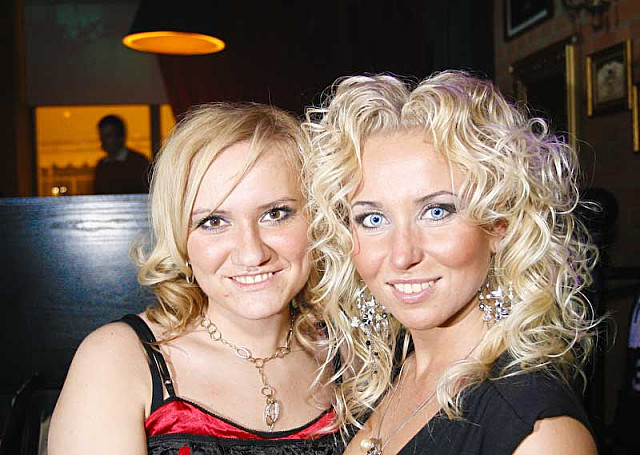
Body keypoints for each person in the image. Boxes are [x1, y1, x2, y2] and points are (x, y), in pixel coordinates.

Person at [303, 71, 598, 454]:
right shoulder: (386, 376)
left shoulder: (540, 433)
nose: (403, 255)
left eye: (437, 211)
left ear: (498, 224)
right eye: (373, 219)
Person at [49, 103, 341, 454]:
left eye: (276, 214)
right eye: (214, 222)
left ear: (317, 221)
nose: (251, 253)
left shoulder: (352, 355)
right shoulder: (118, 360)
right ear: (180, 240)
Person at [94, 114, 150, 194]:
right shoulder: (101, 166)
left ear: (121, 137)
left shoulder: (138, 163)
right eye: (101, 136)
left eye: (108, 135)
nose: (103, 140)